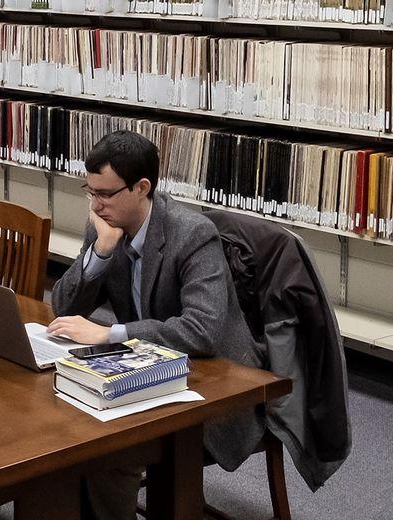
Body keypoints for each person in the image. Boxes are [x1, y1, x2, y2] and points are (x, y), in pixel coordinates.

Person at [45, 130, 262, 520]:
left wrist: (112, 333)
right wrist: (100, 252)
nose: (95, 204)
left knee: (109, 450)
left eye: (105, 194)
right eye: (89, 191)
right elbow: (61, 306)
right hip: (148, 370)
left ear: (142, 187)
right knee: (64, 423)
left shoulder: (191, 234)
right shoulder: (104, 225)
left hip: (212, 386)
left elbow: (202, 330)